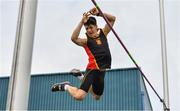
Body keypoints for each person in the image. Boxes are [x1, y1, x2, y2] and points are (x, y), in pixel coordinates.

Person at [51, 7, 116, 101]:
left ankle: (80, 76)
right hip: (92, 70)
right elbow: (74, 38)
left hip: (102, 72)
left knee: (97, 97)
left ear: (96, 26)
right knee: (79, 96)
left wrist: (99, 13)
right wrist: (82, 22)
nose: (89, 30)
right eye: (87, 28)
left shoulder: (103, 34)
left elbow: (113, 19)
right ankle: (66, 86)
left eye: (91, 27)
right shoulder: (86, 42)